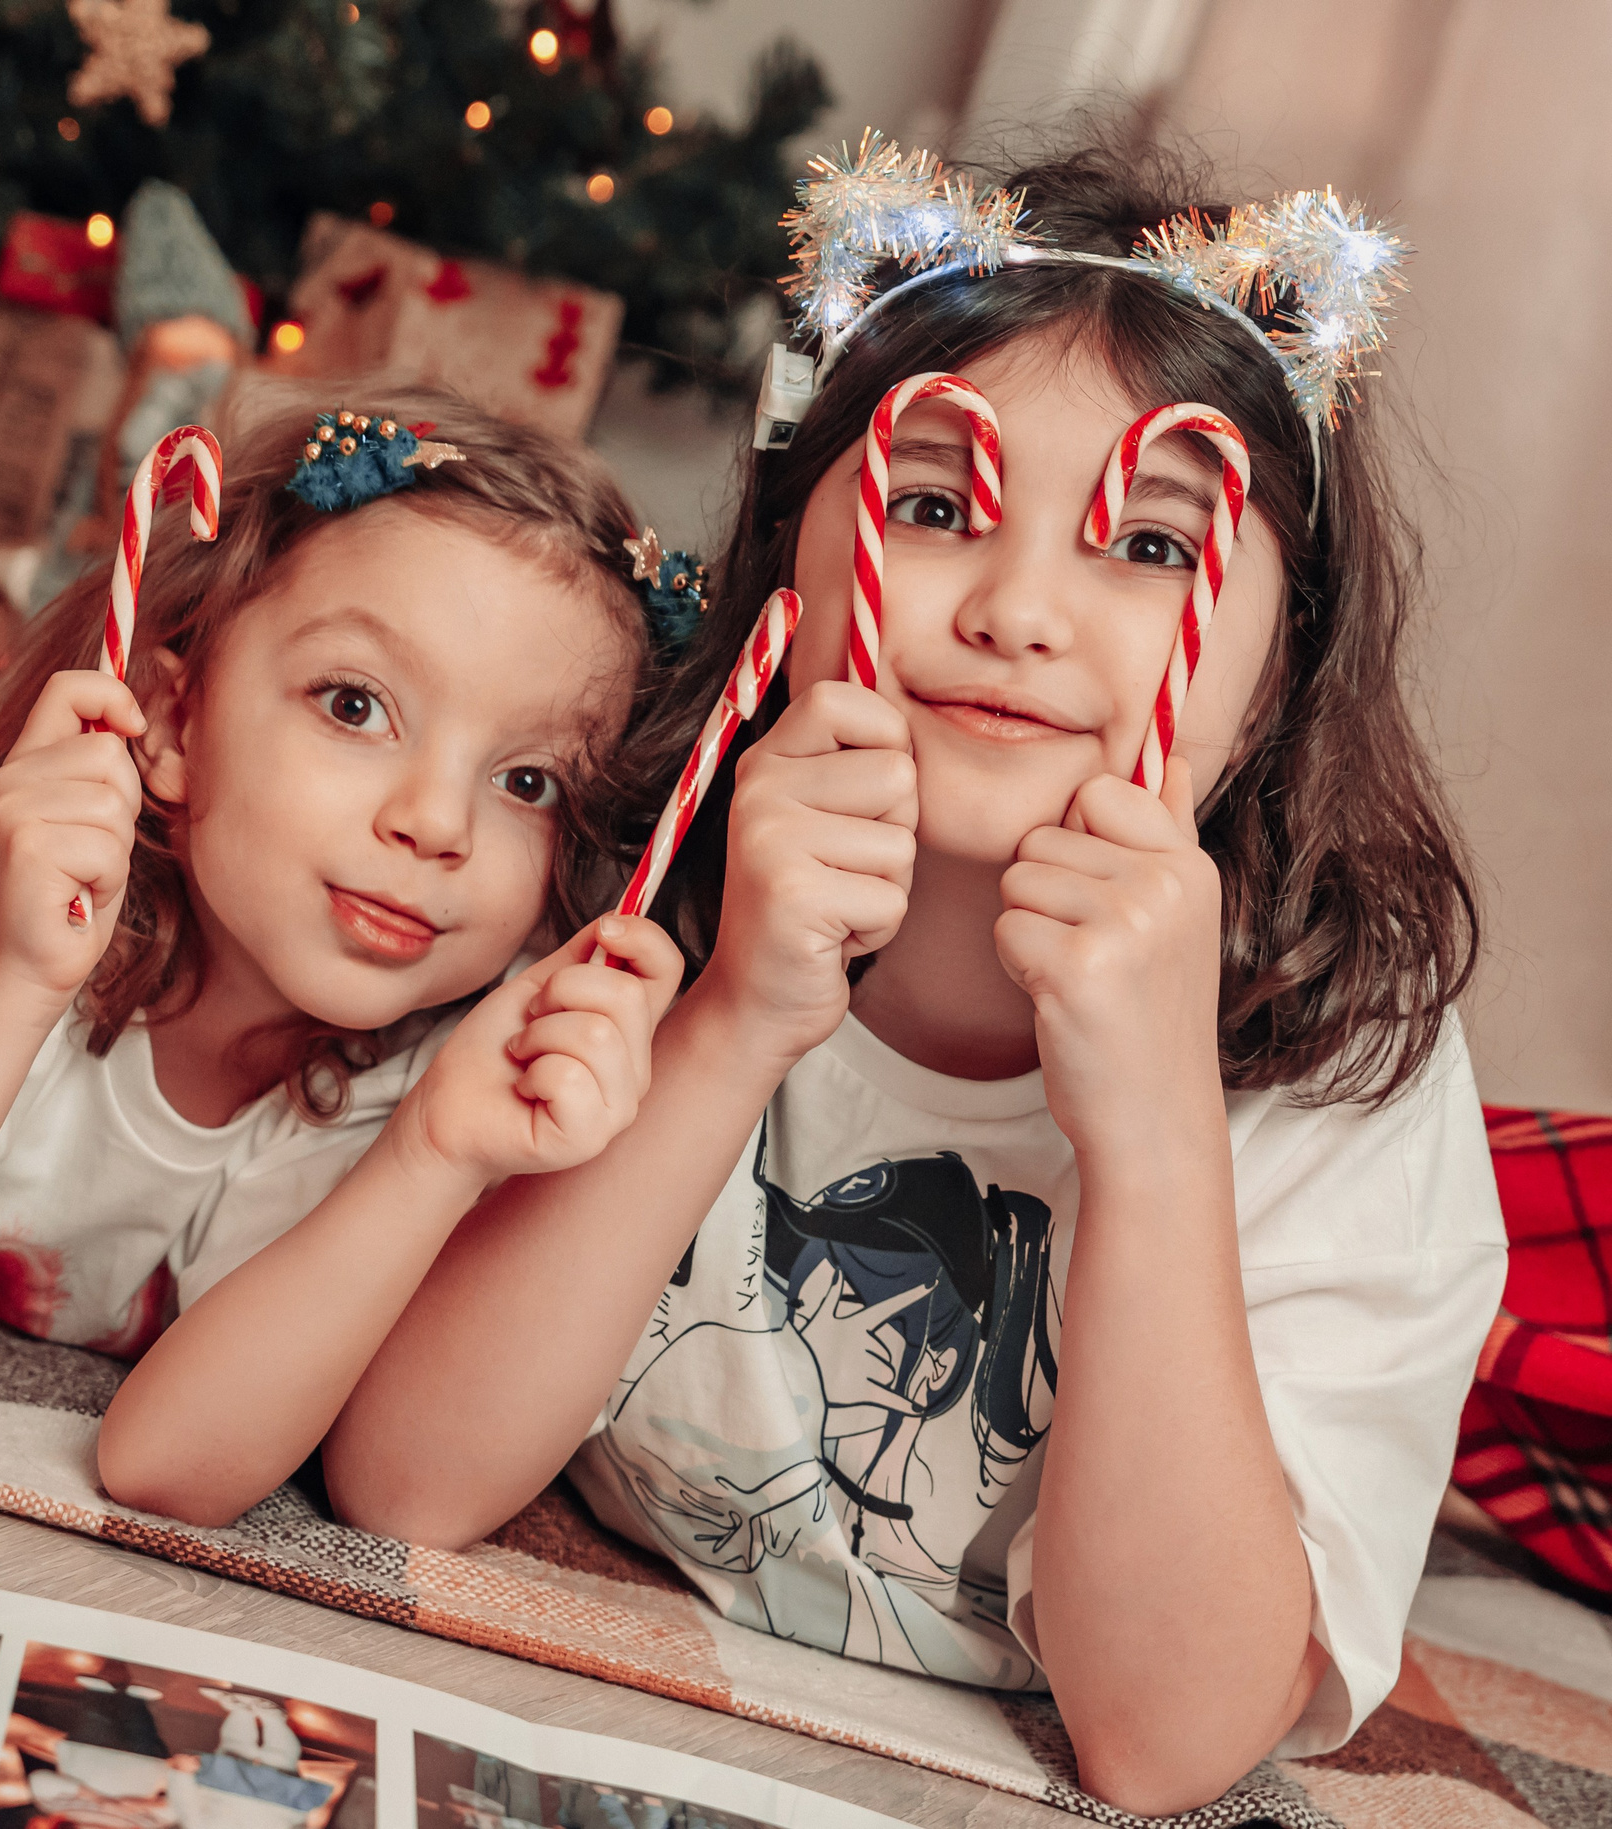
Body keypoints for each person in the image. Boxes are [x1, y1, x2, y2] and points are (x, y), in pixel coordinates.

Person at [319, 144, 1506, 1816]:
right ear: (788, 565)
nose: (1019, 608)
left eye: (1151, 547)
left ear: (1281, 663)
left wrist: (1159, 1135)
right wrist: (738, 1011)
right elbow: (406, 1479)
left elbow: (1165, 1741)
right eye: (937, 510)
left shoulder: (1345, 1068)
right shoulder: (634, 862)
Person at [0, 388, 680, 1429]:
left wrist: (430, 1156)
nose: (436, 824)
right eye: (354, 704)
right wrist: (12, 979)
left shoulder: (450, 1064)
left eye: (529, 782)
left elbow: (172, 1465)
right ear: (169, 719)